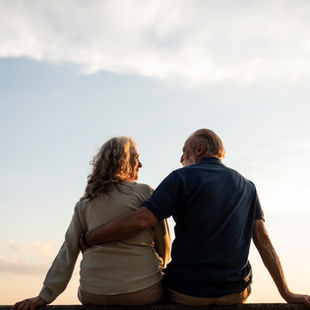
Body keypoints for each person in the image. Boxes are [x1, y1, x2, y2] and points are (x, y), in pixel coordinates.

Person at [80, 129, 310, 307]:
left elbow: (140, 220)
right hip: (235, 291)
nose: (181, 158)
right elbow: (263, 240)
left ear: (199, 149)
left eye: (184, 151)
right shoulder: (248, 186)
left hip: (187, 292)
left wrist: (90, 237)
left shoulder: (180, 178)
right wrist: (286, 293)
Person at [12, 137, 170, 310]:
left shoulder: (84, 204)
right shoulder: (145, 193)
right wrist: (158, 266)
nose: (140, 164)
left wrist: (44, 296)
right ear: (123, 162)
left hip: (94, 294)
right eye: (136, 158)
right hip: (144, 291)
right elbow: (164, 244)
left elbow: (68, 251)